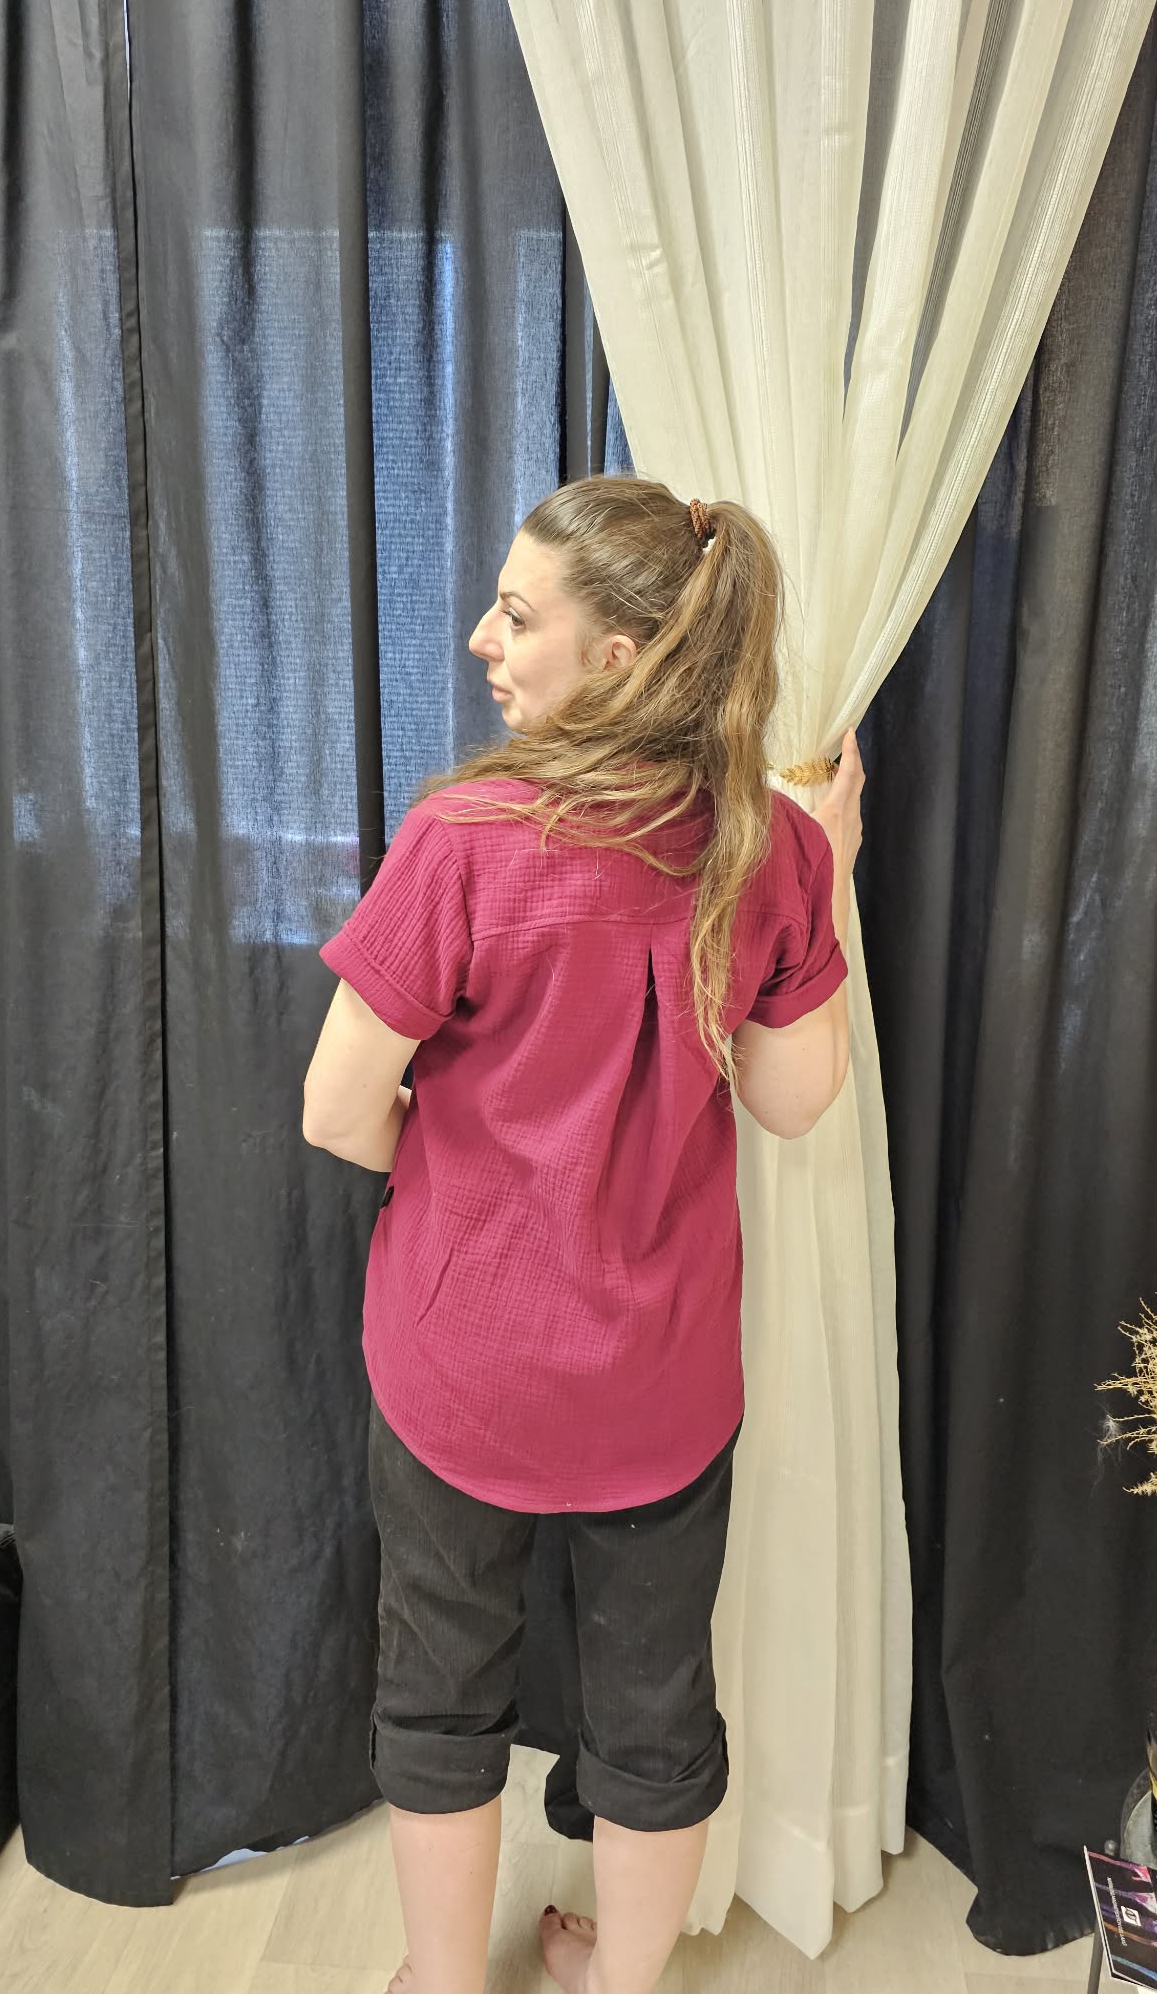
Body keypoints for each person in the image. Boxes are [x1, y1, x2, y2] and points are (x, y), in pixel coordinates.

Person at [303, 475, 866, 1994]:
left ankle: (441, 1984)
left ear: (617, 656)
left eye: (517, 614)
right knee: (653, 1710)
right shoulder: (771, 849)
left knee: (439, 1692)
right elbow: (795, 1102)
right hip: (657, 1383)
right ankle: (620, 1984)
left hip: (461, 1367)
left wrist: (451, 1167)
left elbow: (338, 1112)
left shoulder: (464, 837)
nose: (482, 640)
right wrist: (829, 872)